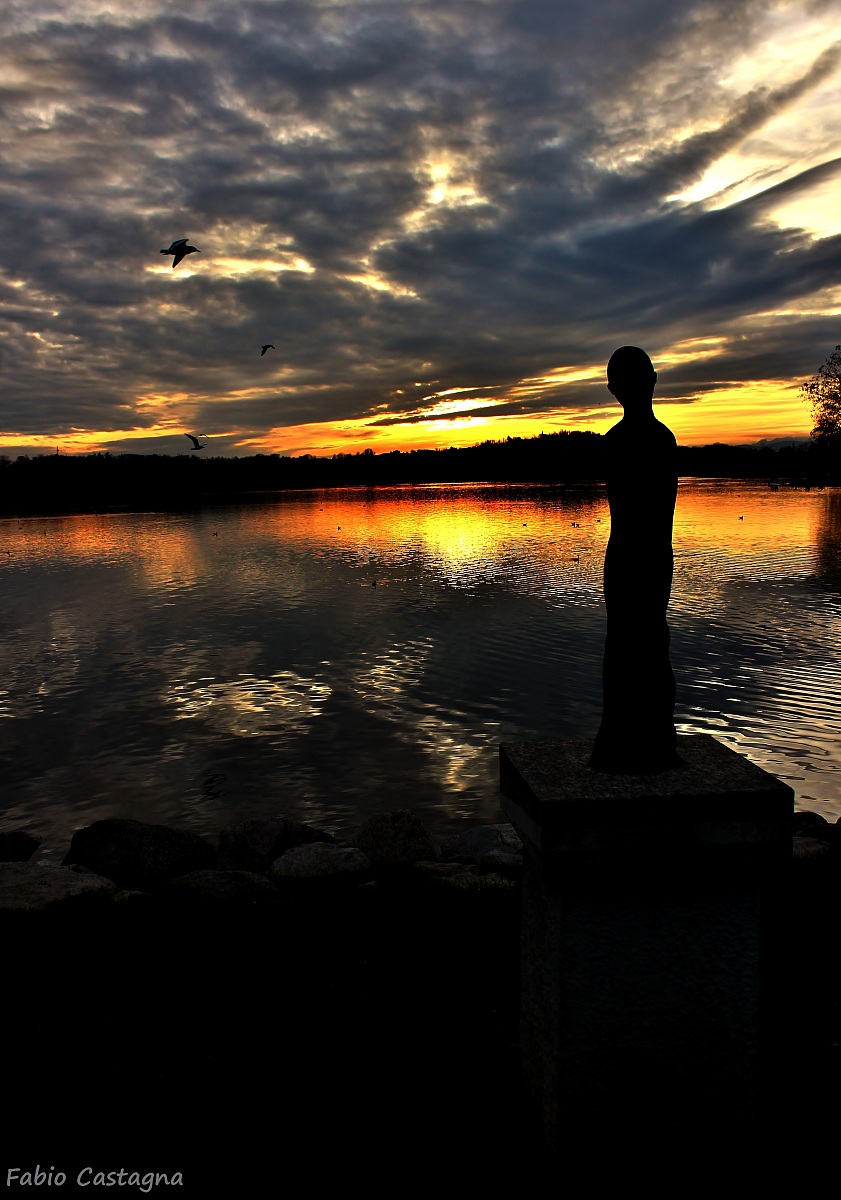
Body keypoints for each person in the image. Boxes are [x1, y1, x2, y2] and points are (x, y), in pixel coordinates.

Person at [589, 346, 681, 773]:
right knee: (646, 645)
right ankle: (654, 743)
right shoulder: (660, 440)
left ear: (613, 389)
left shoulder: (618, 442)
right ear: (653, 381)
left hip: (628, 556)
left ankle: (622, 745)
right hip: (649, 555)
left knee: (627, 647)